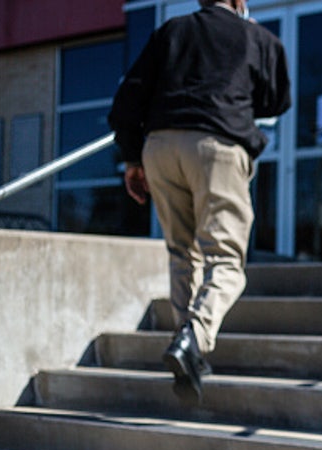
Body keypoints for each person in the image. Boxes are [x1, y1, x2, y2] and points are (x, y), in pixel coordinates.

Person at [108, 0, 291, 403]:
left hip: (160, 146)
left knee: (181, 251)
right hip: (218, 145)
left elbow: (128, 99)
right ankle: (194, 338)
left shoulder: (171, 31)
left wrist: (133, 156)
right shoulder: (258, 38)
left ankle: (187, 348)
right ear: (240, 1)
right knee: (225, 260)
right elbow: (276, 101)